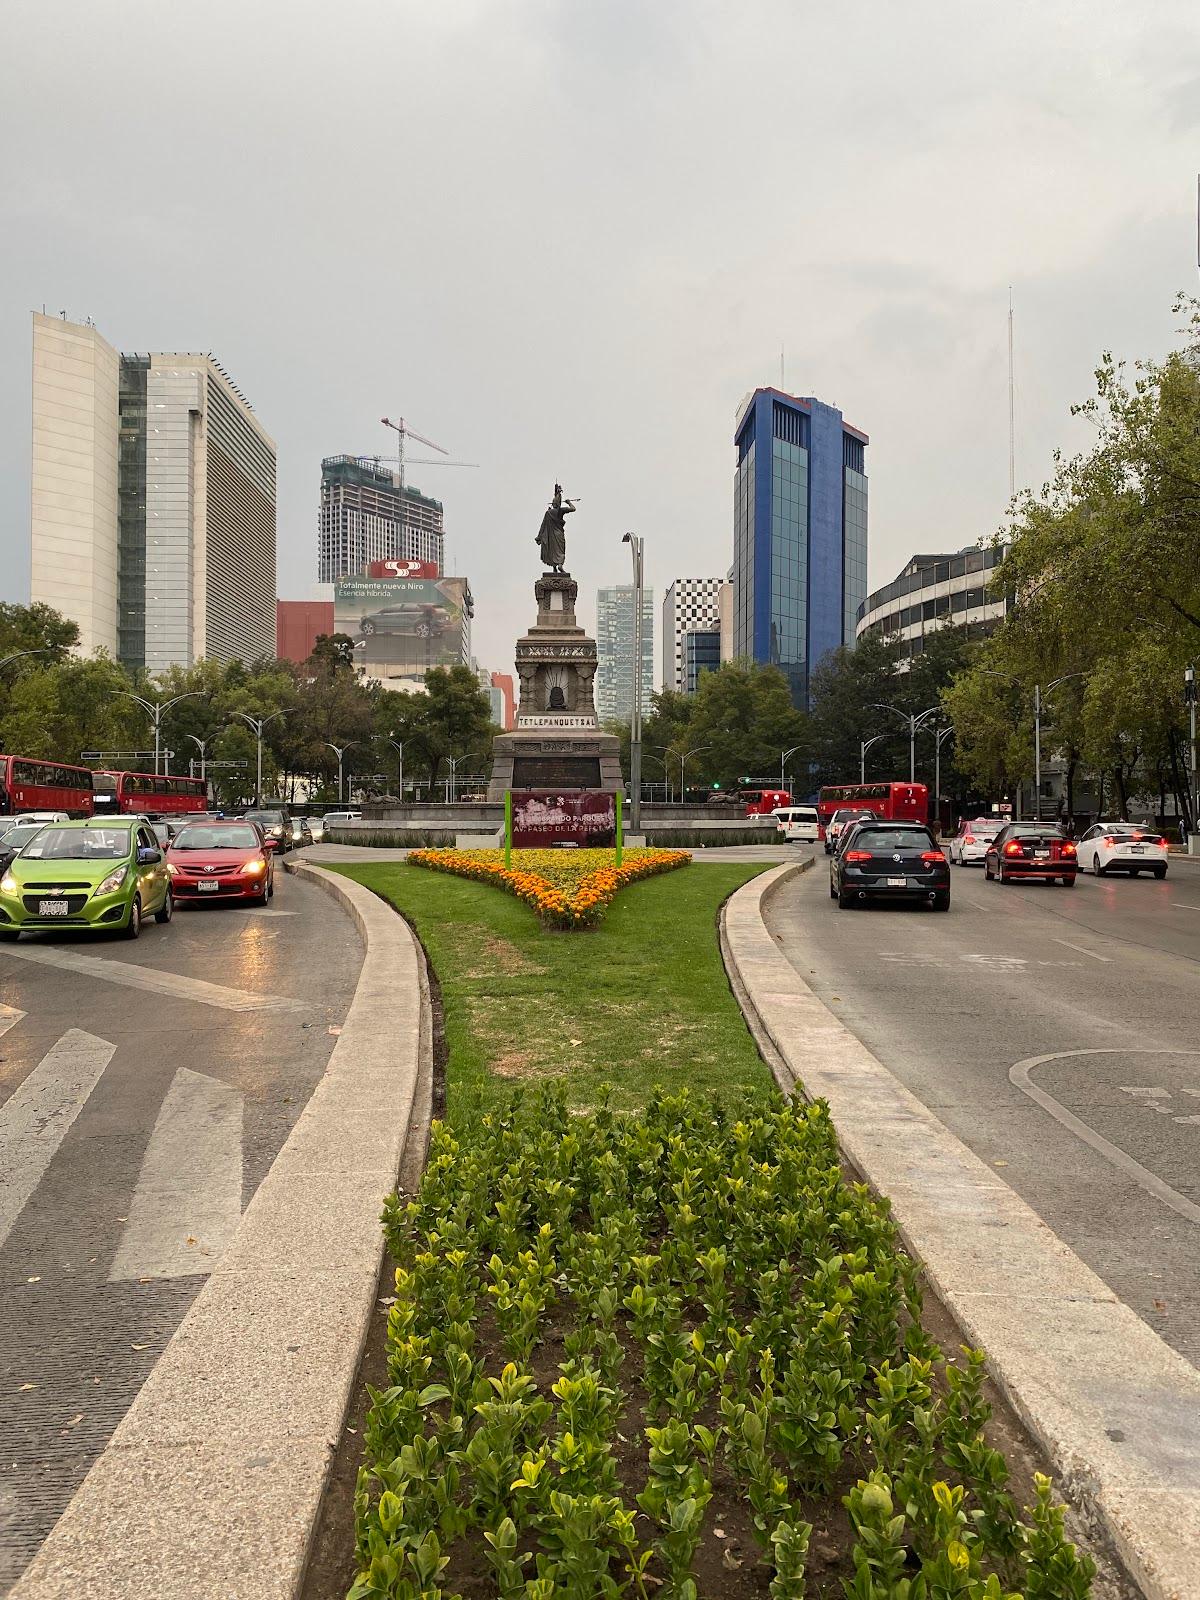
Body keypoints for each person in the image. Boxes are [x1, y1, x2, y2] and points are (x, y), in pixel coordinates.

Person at [535, 483, 576, 572]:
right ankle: (560, 565)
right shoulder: (560, 510)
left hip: (551, 535)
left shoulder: (548, 513)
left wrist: (539, 536)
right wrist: (569, 502)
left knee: (552, 550)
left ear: (553, 504)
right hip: (558, 534)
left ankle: (554, 568)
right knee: (560, 551)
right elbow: (573, 508)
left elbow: (543, 525)